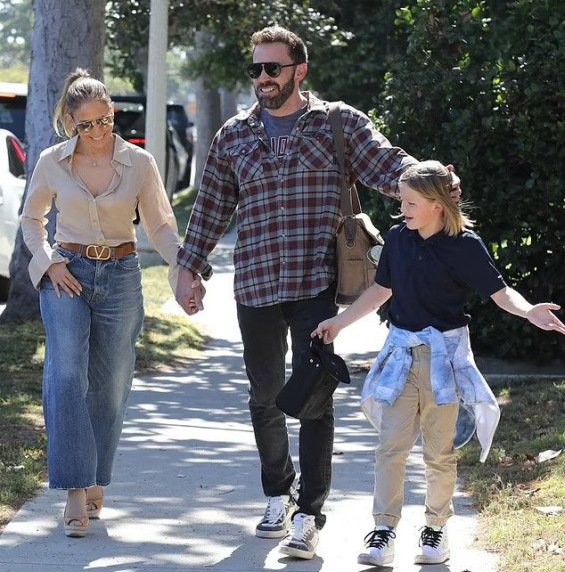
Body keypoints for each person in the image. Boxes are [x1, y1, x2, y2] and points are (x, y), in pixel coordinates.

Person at [175, 25, 457, 560]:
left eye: (272, 68)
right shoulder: (234, 135)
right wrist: (190, 269)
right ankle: (277, 493)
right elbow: (211, 206)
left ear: (299, 71)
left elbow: (387, 164)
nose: (262, 77)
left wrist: (432, 182)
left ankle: (309, 514)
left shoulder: (337, 124)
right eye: (255, 68)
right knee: (263, 395)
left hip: (315, 283)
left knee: (313, 397)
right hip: (256, 282)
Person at [312, 160, 565, 566]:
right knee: (390, 447)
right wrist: (339, 323)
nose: (403, 209)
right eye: (402, 201)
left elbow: (500, 293)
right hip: (400, 358)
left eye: (411, 202)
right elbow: (381, 291)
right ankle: (383, 531)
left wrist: (529, 310)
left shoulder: (465, 245)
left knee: (439, 454)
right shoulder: (398, 238)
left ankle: (436, 531)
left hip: (445, 362)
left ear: (436, 204)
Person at [21, 68, 186, 538]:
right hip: (66, 274)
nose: (97, 132)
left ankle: (96, 475)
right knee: (66, 372)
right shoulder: (53, 161)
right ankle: (76, 489)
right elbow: (32, 219)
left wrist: (183, 266)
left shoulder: (139, 163)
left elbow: (159, 225)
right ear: (70, 124)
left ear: (113, 114)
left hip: (120, 273)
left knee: (111, 382)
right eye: (86, 125)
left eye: (105, 120)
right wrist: (49, 262)